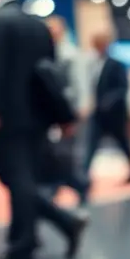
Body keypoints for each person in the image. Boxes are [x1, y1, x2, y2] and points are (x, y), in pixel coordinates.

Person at [0, 0, 88, 259]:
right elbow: (50, 76)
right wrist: (59, 116)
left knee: (16, 179)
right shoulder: (38, 25)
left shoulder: (0, 23)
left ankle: (23, 246)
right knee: (23, 180)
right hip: (37, 119)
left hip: (7, 118)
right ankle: (57, 225)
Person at [43, 15, 92, 205]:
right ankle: (65, 184)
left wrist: (81, 106)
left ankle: (79, 183)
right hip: (56, 112)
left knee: (70, 152)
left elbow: (79, 82)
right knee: (59, 152)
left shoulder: (70, 54)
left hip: (69, 111)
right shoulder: (49, 52)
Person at [84, 31, 130, 183]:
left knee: (123, 143)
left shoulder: (116, 64)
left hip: (115, 114)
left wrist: (108, 102)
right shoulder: (92, 64)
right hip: (98, 113)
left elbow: (123, 88)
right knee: (91, 144)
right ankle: (84, 175)